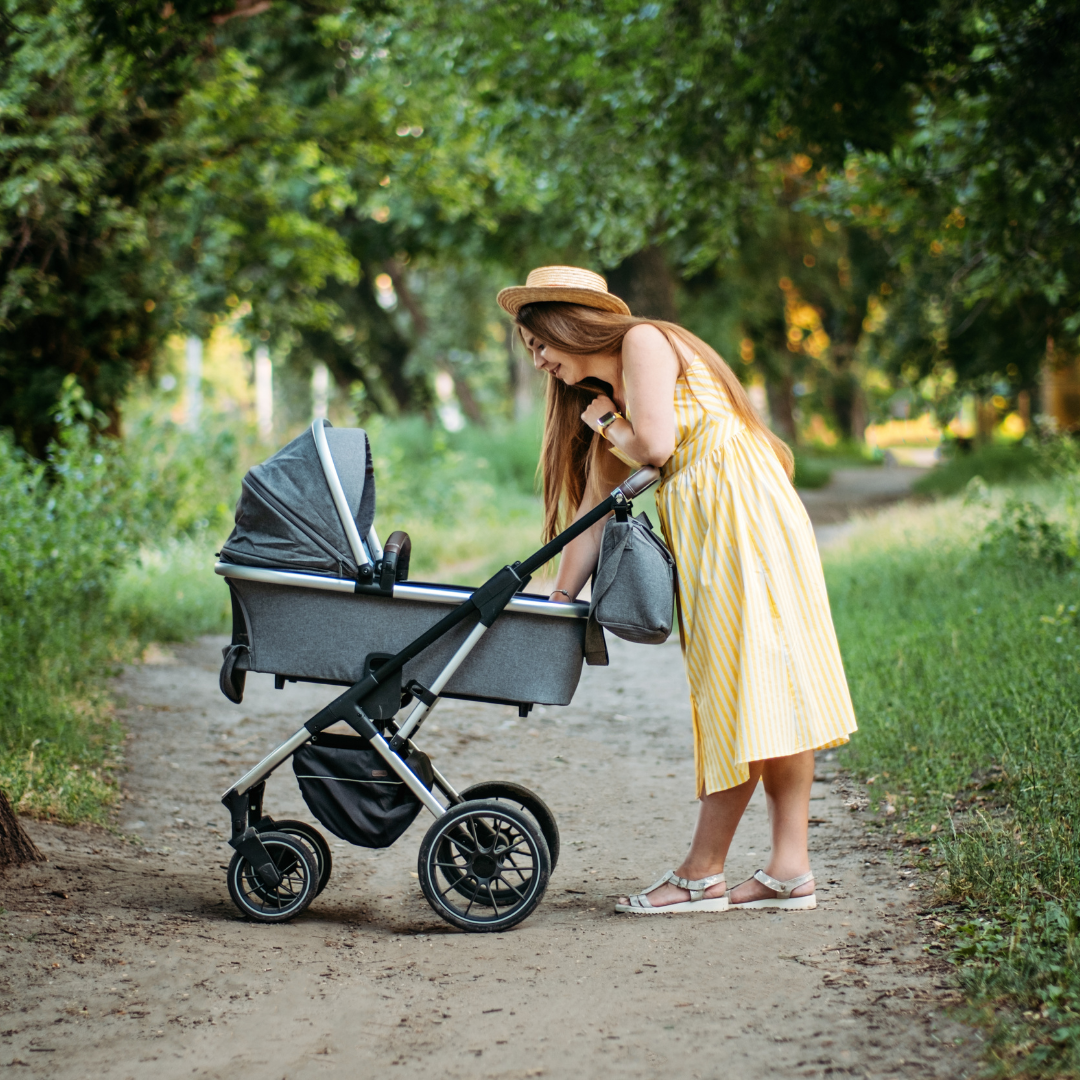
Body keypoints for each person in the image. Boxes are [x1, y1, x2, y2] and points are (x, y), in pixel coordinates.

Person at [496, 266, 858, 913]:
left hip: (742, 522)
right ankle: (788, 869)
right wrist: (557, 602)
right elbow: (592, 513)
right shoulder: (615, 402)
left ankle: (702, 873)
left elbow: (657, 447)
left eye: (538, 343)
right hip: (725, 526)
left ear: (566, 323)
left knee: (745, 687)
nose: (540, 360)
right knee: (764, 684)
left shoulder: (642, 344)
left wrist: (608, 420)